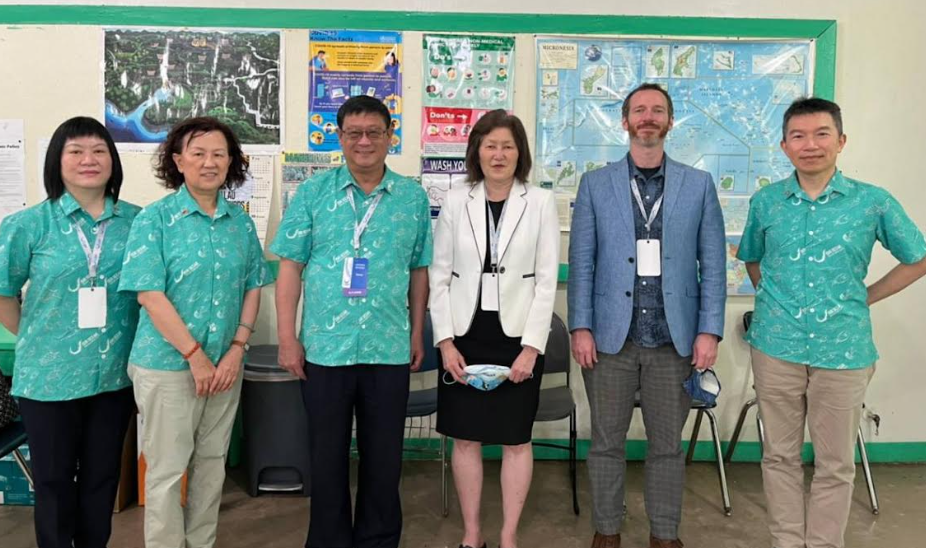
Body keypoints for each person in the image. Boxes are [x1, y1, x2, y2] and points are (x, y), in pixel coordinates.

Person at [737, 97, 926, 548]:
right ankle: (787, 541)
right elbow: (753, 261)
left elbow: (917, 257)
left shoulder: (872, 202)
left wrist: (868, 295)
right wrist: (778, 303)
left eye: (822, 134)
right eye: (798, 136)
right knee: (779, 456)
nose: (810, 145)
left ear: (841, 141)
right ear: (784, 146)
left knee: (835, 463)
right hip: (775, 348)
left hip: (844, 351)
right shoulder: (766, 202)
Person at [568, 83, 726, 548]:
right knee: (606, 444)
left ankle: (664, 534)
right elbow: (582, 261)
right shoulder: (596, 184)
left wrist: (709, 330)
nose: (648, 117)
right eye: (640, 110)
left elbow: (712, 263)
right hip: (610, 340)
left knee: (666, 447)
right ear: (625, 122)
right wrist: (580, 326)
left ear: (670, 122)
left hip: (673, 341)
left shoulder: (698, 186)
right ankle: (607, 530)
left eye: (658, 110)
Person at [271, 95, 432, 548]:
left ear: (390, 136)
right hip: (325, 348)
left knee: (384, 461)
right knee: (326, 459)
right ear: (339, 138)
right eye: (354, 133)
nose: (364, 142)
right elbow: (290, 269)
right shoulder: (313, 194)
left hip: (388, 347)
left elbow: (419, 271)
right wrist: (288, 338)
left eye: (374, 132)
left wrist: (417, 331)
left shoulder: (412, 198)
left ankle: (379, 540)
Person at [119, 117, 273, 548]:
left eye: (219, 154)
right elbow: (149, 294)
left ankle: (201, 543)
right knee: (167, 470)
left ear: (231, 163)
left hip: (225, 367)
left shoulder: (239, 223)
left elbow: (252, 287)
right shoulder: (155, 220)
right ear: (178, 160)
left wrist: (237, 349)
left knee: (211, 463)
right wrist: (195, 356)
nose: (209, 162)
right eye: (198, 152)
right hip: (168, 366)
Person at [0, 116, 141, 548]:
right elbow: (4, 293)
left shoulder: (138, 222)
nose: (88, 160)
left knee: (102, 479)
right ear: (56, 162)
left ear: (112, 161)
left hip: (114, 375)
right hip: (47, 378)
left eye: (99, 150)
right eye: (75, 151)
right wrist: (36, 337)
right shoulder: (28, 225)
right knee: (55, 482)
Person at [430, 110, 559, 548]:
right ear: (477, 151)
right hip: (465, 334)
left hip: (518, 336)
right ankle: (472, 535)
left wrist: (532, 349)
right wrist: (444, 342)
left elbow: (546, 281)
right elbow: (440, 275)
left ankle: (508, 537)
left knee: (515, 439)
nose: (498, 154)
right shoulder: (456, 200)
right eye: (490, 145)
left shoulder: (539, 202)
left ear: (519, 151)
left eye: (507, 145)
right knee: (465, 438)